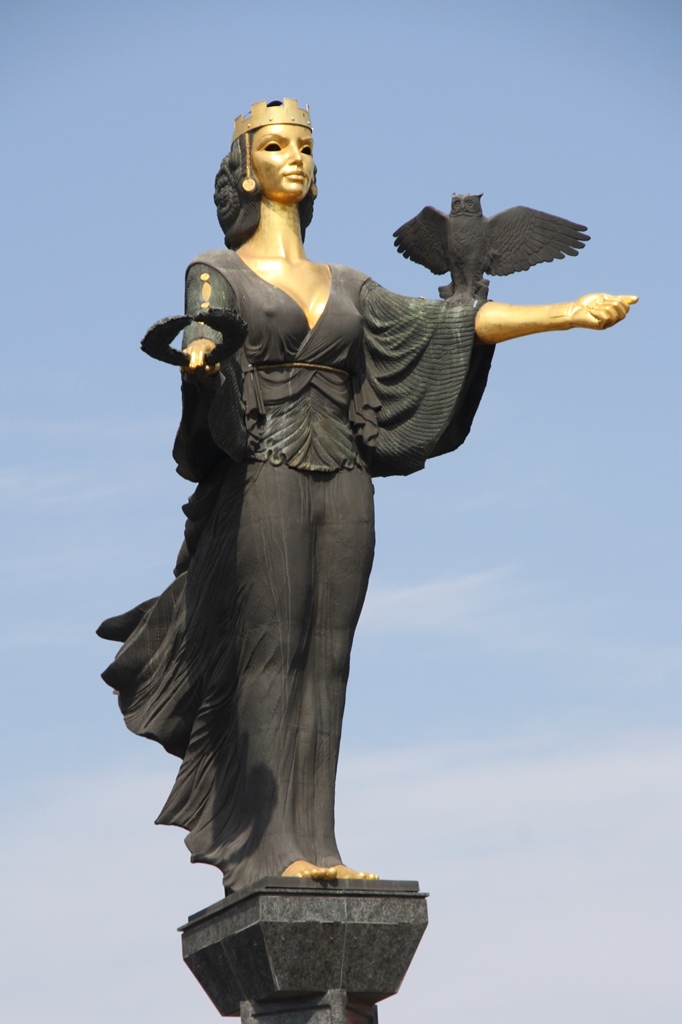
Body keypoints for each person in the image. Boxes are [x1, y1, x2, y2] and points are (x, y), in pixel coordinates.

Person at [98, 99, 637, 893]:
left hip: (344, 470)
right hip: (267, 467)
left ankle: (318, 841)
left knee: (329, 659)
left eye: (305, 147)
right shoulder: (218, 266)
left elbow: (447, 325)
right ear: (244, 169)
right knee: (272, 653)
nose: (295, 158)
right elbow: (205, 320)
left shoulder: (349, 284)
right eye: (275, 146)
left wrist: (567, 314)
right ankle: (266, 845)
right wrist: (202, 349)